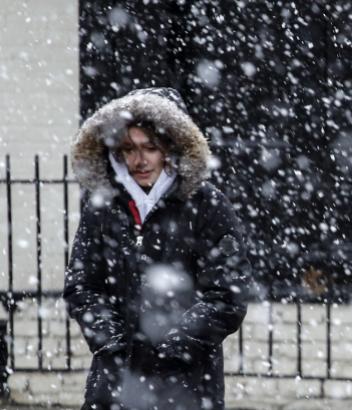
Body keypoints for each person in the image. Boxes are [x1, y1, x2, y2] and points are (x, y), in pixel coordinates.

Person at [64, 87, 251, 410]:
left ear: (171, 147)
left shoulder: (207, 205)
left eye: (150, 147)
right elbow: (82, 287)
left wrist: (174, 347)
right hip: (114, 384)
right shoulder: (103, 207)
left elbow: (228, 294)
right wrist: (112, 344)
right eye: (129, 148)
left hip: (187, 384)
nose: (140, 160)